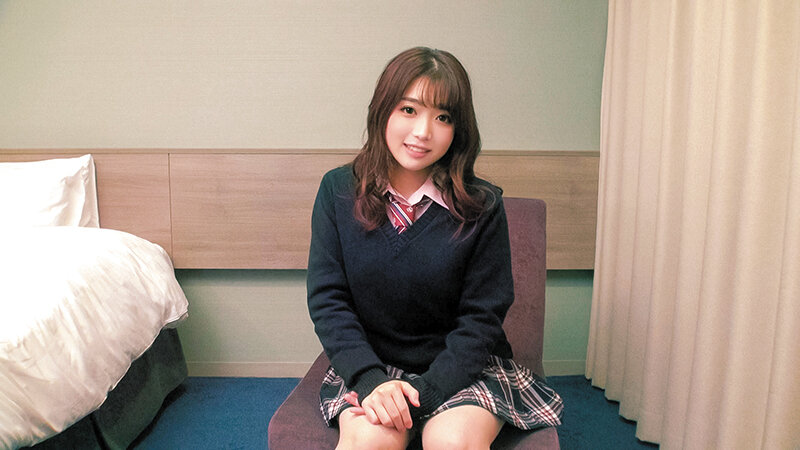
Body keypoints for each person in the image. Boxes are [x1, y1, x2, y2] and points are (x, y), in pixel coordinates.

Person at [307, 47, 563, 449]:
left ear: (458, 129)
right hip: (374, 367)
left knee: (451, 441)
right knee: (368, 442)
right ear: (382, 111)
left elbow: (482, 318)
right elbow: (328, 300)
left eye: (443, 117)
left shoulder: (483, 206)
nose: (423, 131)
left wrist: (428, 393)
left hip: (462, 370)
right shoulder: (338, 190)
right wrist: (371, 381)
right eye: (409, 110)